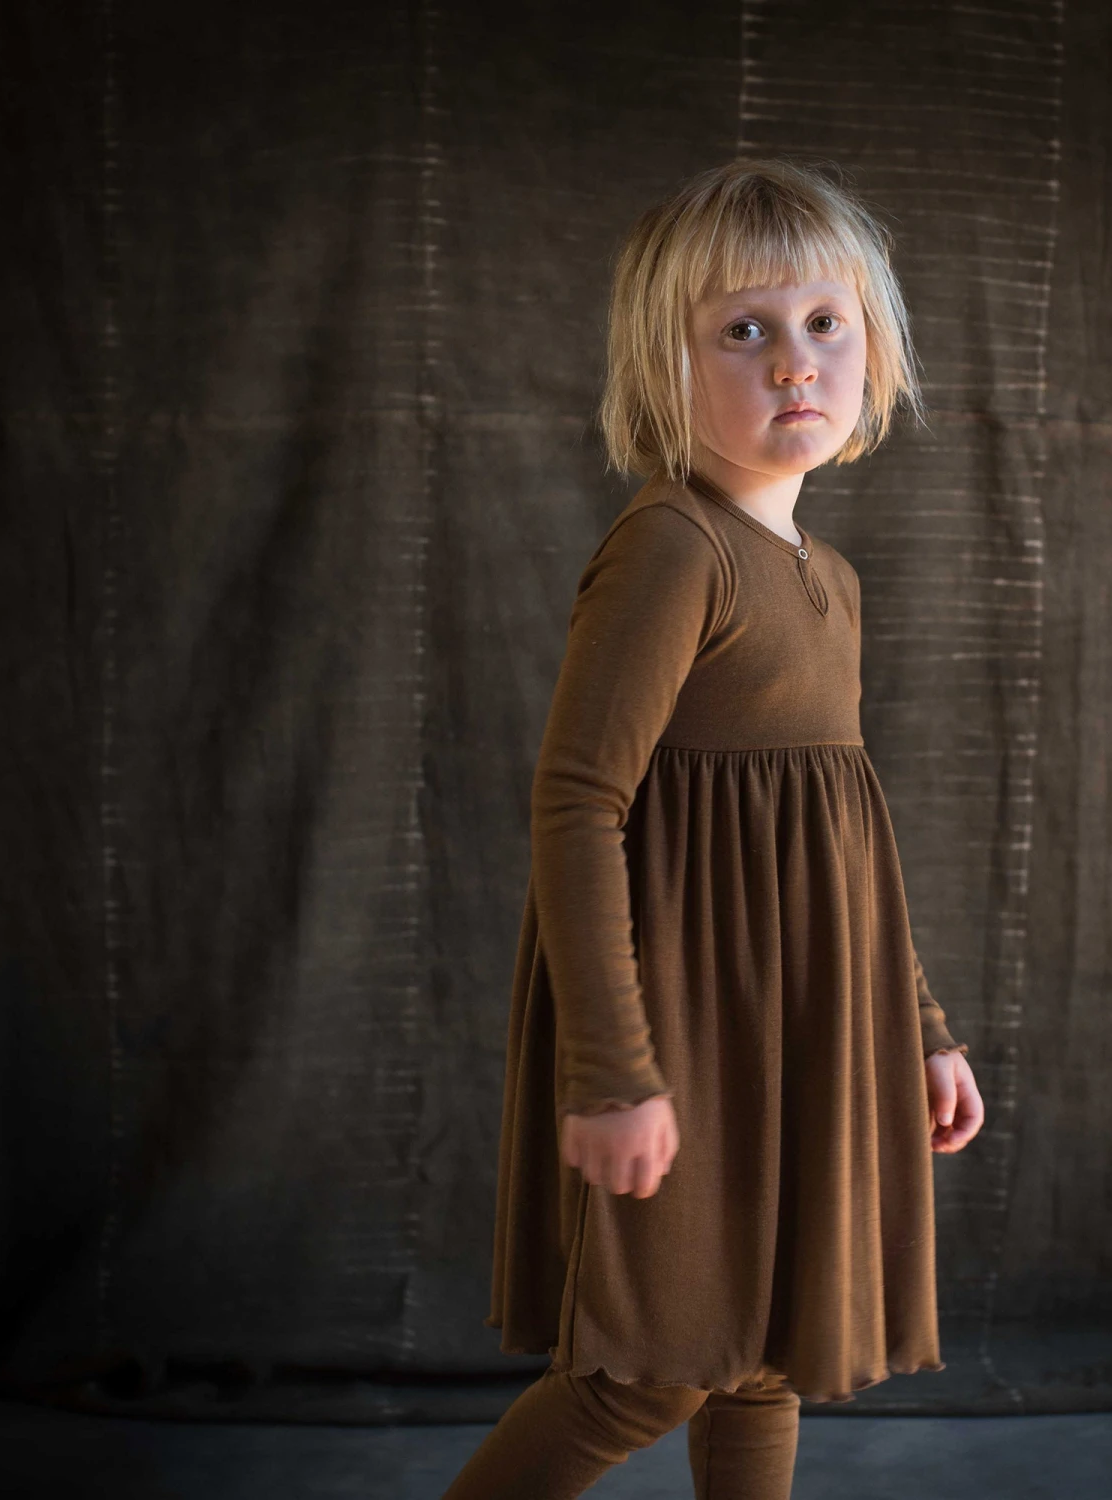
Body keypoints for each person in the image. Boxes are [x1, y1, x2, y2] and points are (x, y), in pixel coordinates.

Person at [442, 157, 985, 1500]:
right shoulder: (674, 549)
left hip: (798, 1024)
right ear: (665, 366)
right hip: (683, 1021)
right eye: (743, 328)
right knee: (648, 1371)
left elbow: (842, 834)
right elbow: (579, 802)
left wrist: (919, 1025)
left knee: (764, 1356)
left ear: (873, 349)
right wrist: (612, 1070)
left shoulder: (827, 577)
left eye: (825, 322)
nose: (794, 360)